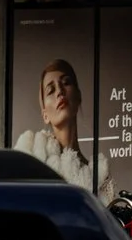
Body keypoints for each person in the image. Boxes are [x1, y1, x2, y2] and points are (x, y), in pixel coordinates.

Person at [13, 58, 92, 191]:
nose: (60, 92)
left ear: (78, 96)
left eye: (66, 82)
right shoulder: (31, 155)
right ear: (45, 115)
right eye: (51, 90)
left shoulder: (97, 175)